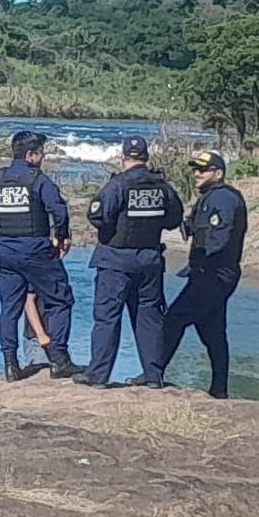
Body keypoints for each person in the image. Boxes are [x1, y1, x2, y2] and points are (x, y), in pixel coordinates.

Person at [81, 136, 184, 387]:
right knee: (149, 318)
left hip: (116, 261)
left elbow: (97, 215)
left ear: (123, 157)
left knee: (107, 317)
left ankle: (98, 375)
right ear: (147, 158)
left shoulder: (117, 185)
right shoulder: (162, 187)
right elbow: (174, 219)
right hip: (149, 260)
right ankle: (153, 376)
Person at [146, 148, 249, 398]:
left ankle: (154, 374)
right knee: (212, 332)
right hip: (209, 273)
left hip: (214, 274)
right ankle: (219, 389)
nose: (197, 174)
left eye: (203, 170)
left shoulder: (223, 199)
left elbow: (219, 238)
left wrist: (203, 262)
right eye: (196, 169)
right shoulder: (209, 197)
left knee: (175, 319)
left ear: (218, 173)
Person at [0, 131, 74, 381]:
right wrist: (60, 237)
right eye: (41, 153)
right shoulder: (38, 181)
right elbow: (58, 211)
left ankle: (10, 364)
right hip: (37, 250)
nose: (42, 158)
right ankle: (59, 359)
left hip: (6, 251)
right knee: (60, 300)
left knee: (9, 308)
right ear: (31, 155)